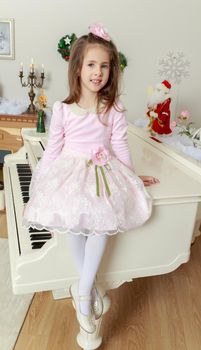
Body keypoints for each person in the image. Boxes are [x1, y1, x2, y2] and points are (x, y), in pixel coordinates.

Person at [23, 23, 159, 334]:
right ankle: (88, 290)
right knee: (73, 221)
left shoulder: (113, 108)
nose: (98, 72)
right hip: (70, 171)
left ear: (112, 70)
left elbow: (121, 145)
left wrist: (133, 177)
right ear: (78, 68)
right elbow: (54, 148)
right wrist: (41, 181)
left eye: (105, 66)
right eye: (91, 65)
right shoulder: (63, 109)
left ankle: (83, 291)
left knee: (100, 223)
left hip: (102, 171)